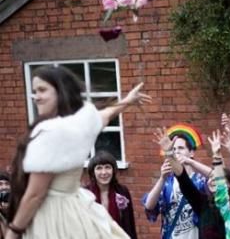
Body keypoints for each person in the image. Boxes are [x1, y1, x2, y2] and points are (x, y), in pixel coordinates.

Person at [6, 65, 151, 239]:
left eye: (42, 90)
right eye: (35, 91)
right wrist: (127, 101)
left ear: (61, 92)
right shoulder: (80, 123)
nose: (36, 97)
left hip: (53, 217)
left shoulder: (51, 132)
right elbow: (105, 115)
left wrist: (13, 232)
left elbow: (35, 194)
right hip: (77, 210)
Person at [142, 125, 208, 239]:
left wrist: (191, 163)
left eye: (181, 148)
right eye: (173, 149)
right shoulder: (167, 182)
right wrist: (162, 178)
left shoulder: (201, 181)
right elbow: (149, 206)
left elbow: (217, 179)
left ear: (191, 152)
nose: (176, 152)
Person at [87, 150, 138, 238]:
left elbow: (130, 224)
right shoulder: (86, 194)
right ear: (93, 172)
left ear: (113, 170)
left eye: (107, 167)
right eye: (99, 168)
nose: (104, 172)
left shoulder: (122, 192)